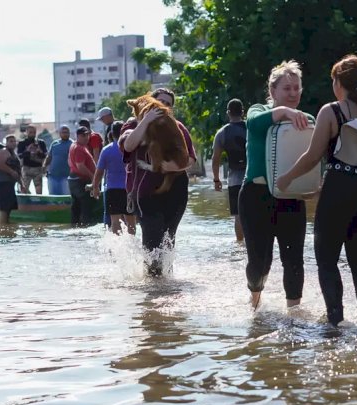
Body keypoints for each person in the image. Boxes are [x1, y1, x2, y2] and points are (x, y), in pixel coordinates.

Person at [276, 54, 357, 326]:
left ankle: (335, 323)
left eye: (333, 80)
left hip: (339, 188)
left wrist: (286, 179)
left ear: (339, 83)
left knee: (326, 259)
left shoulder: (331, 111)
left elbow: (313, 157)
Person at [239, 60, 314, 310]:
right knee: (260, 262)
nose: (293, 94)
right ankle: (255, 299)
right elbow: (253, 124)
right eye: (286, 88)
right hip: (255, 197)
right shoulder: (257, 110)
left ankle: (294, 317)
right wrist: (284, 112)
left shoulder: (307, 120)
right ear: (272, 91)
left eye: (296, 89)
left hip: (291, 196)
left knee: (294, 260)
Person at [119, 87, 197, 278]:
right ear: (150, 103)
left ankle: (167, 285)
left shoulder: (176, 127)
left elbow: (191, 159)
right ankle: (152, 289)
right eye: (160, 102)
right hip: (145, 193)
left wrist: (170, 167)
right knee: (153, 238)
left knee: (168, 238)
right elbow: (128, 146)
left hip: (176, 190)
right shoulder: (131, 126)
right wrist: (146, 120)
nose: (164, 107)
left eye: (168, 104)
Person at [212, 98, 247, 242]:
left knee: (238, 214)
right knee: (257, 213)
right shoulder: (251, 128)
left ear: (228, 113)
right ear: (243, 112)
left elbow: (216, 159)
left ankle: (240, 245)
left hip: (234, 180)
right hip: (254, 176)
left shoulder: (222, 133)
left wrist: (216, 179)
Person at [92, 121, 136, 235]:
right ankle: (132, 246)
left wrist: (95, 187)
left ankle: (117, 247)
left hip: (112, 190)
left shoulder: (107, 150)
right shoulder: (131, 148)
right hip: (129, 189)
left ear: (111, 133)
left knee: (115, 221)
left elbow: (99, 171)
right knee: (131, 221)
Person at [68, 125, 99, 226]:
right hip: (80, 181)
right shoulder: (78, 148)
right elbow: (80, 166)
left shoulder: (76, 145)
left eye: (87, 135)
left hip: (75, 179)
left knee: (76, 207)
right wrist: (92, 177)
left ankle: (76, 229)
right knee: (86, 207)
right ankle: (86, 230)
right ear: (77, 136)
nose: (86, 137)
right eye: (83, 135)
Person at [0, 134, 25, 224]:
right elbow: (1, 164)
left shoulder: (14, 154)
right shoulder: (3, 151)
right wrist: (11, 172)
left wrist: (22, 184)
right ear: (6, 143)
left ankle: (7, 229)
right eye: (10, 141)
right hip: (1, 183)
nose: (13, 143)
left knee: (9, 207)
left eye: (14, 141)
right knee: (4, 208)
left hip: (10, 184)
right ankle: (2, 229)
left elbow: (18, 172)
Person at [42, 125, 73, 195]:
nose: (65, 134)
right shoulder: (54, 143)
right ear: (59, 133)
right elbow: (49, 157)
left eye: (67, 132)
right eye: (63, 132)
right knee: (53, 198)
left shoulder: (73, 144)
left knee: (66, 198)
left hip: (66, 177)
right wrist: (44, 166)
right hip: (52, 176)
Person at [16, 125, 47, 194]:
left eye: (34, 132)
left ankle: (39, 203)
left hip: (38, 168)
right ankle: (24, 203)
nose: (32, 134)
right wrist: (27, 150)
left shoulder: (41, 143)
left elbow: (45, 155)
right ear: (26, 132)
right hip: (26, 168)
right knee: (24, 189)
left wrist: (39, 151)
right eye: (30, 132)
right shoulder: (22, 143)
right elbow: (20, 156)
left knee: (39, 190)